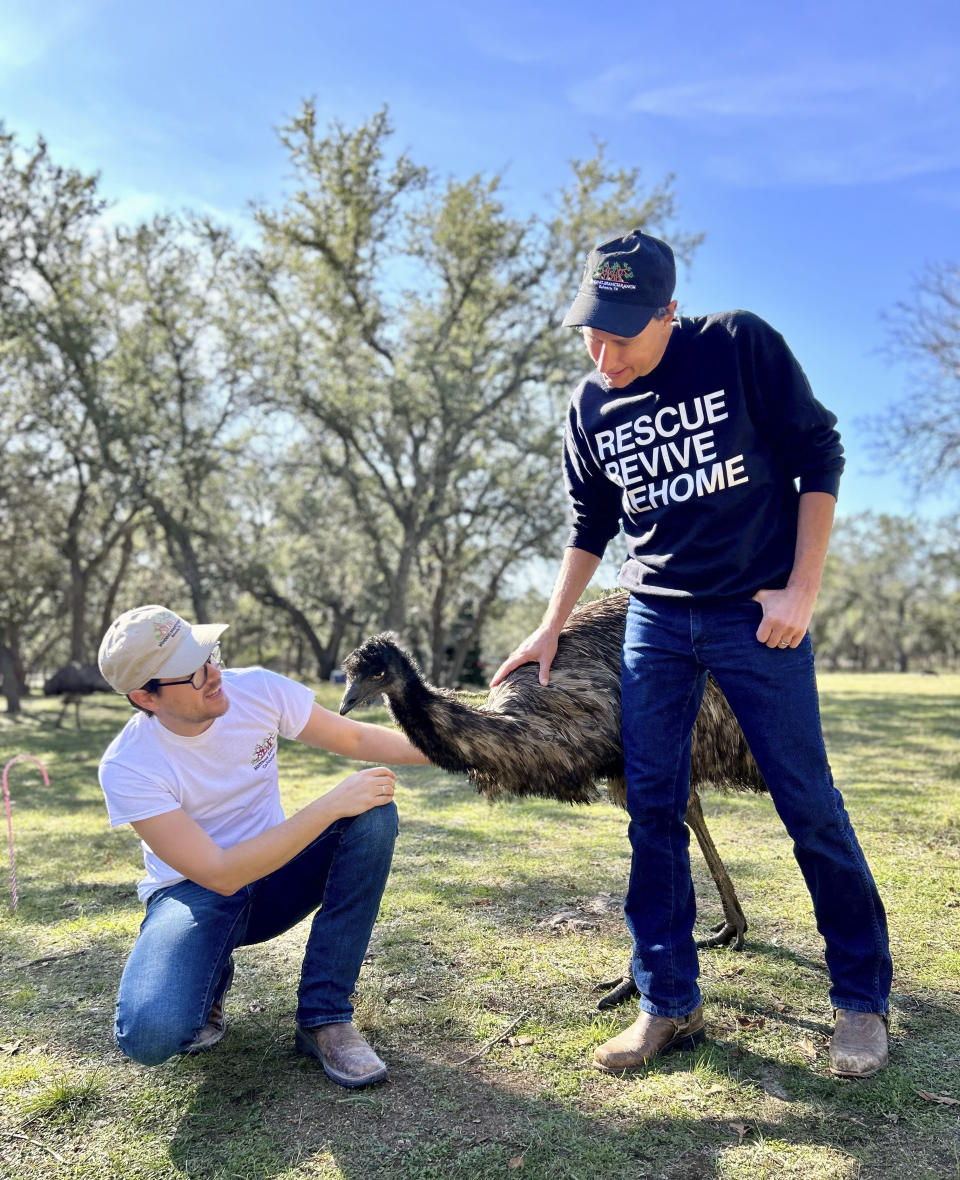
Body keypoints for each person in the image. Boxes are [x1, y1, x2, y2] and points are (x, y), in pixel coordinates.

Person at [491, 229, 892, 1079]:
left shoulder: (739, 345)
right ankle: (667, 1004)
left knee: (810, 807)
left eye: (623, 333)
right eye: (589, 331)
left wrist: (802, 592)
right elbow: (589, 524)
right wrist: (551, 623)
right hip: (655, 622)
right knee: (652, 810)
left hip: (756, 617)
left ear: (669, 313)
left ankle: (860, 1001)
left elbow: (819, 454)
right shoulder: (591, 403)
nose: (603, 352)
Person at [97, 604, 429, 1088]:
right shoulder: (128, 766)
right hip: (196, 894)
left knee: (372, 813)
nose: (213, 676)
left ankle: (324, 1018)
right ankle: (206, 975)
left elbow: (355, 735)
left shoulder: (254, 689)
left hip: (278, 879)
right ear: (145, 698)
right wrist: (329, 805)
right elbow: (219, 873)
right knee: (150, 1034)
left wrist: (462, 747)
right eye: (192, 674)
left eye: (210, 656)